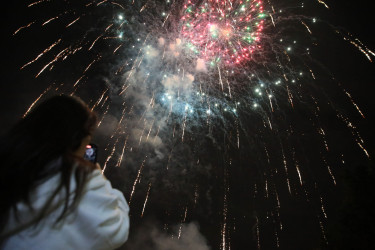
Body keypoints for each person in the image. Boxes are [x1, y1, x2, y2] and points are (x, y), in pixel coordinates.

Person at [0, 95, 129, 249]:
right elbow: (115, 228)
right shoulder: (79, 177)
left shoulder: (9, 161)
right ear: (77, 140)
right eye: (87, 140)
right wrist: (98, 176)